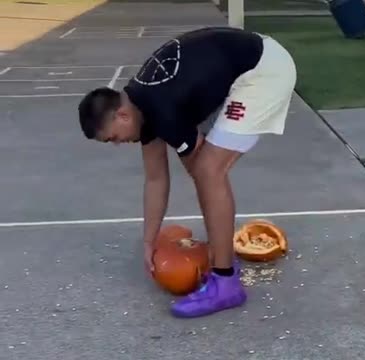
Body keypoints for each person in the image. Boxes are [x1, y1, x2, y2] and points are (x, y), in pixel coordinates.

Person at [76, 26, 297, 318]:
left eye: (113, 138)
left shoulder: (161, 108)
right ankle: (223, 261)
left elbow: (202, 172)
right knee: (205, 172)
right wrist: (149, 241)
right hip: (243, 64)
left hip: (263, 71)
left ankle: (226, 283)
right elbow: (155, 179)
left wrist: (213, 254)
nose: (118, 144)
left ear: (122, 115)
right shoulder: (140, 106)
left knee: (208, 171)